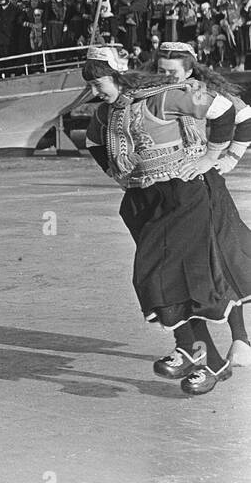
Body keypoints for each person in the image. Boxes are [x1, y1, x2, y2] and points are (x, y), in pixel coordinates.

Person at [83, 45, 239, 395]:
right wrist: (112, 171)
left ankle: (195, 349)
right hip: (143, 200)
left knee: (161, 275)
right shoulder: (108, 113)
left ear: (117, 74)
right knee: (169, 282)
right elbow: (93, 141)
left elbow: (224, 110)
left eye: (98, 84)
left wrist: (213, 157)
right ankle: (209, 360)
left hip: (181, 196)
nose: (94, 93)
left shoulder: (160, 98)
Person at [150, 42, 251, 367]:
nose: (165, 77)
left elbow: (245, 116)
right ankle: (223, 343)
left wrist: (222, 158)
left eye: (172, 72)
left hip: (203, 186)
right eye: (161, 71)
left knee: (218, 259)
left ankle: (238, 341)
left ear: (190, 70)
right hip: (173, 189)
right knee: (203, 263)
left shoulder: (197, 91)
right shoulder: (159, 93)